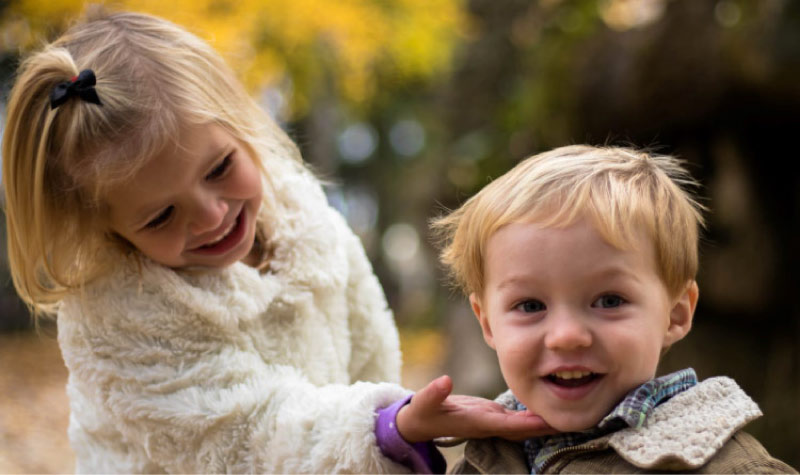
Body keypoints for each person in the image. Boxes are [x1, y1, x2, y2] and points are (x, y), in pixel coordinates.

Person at [1, 9, 551, 473]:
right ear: (109, 230)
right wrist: (383, 428)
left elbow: (366, 345)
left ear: (241, 126)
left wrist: (395, 424)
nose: (212, 216)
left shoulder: (301, 219)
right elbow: (241, 437)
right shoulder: (118, 317)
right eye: (162, 215)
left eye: (220, 167)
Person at [431, 145, 797, 473]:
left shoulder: (726, 468)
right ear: (488, 323)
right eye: (530, 305)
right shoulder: (485, 456)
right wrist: (393, 437)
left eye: (609, 301)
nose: (567, 336)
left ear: (676, 314)